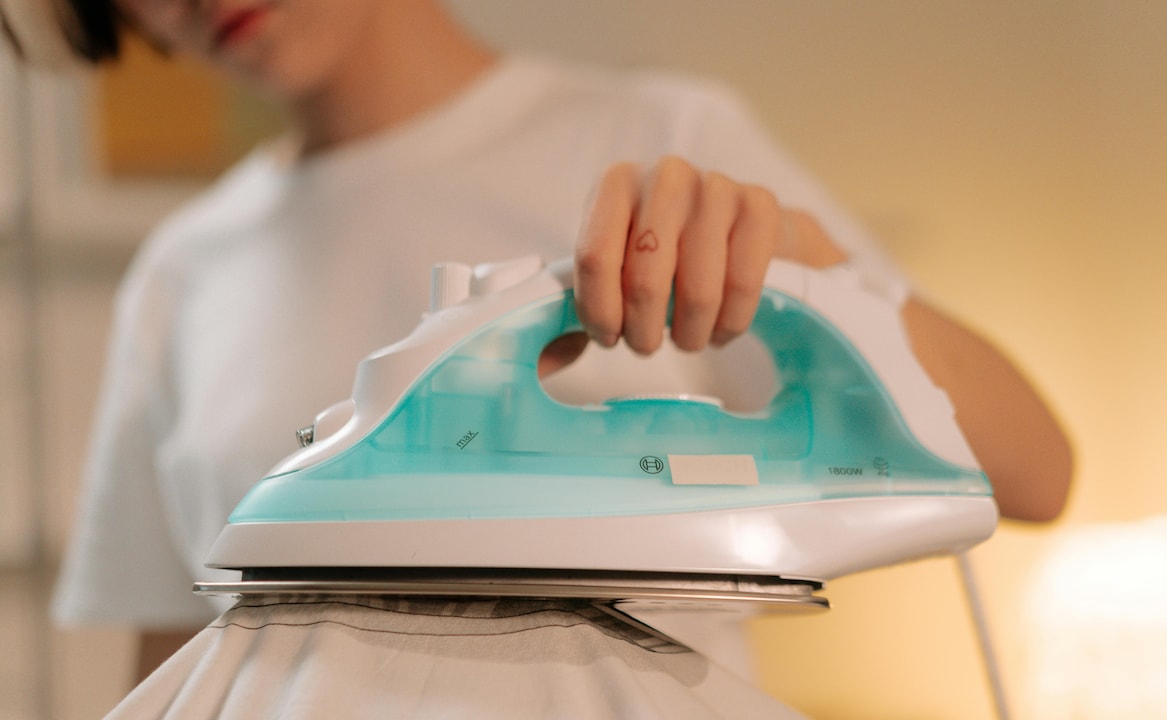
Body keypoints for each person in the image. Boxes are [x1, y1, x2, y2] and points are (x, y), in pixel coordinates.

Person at [34, 0, 1072, 704]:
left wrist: (794, 253)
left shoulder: (663, 134)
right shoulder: (180, 271)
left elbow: (1037, 471)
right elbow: (182, 676)